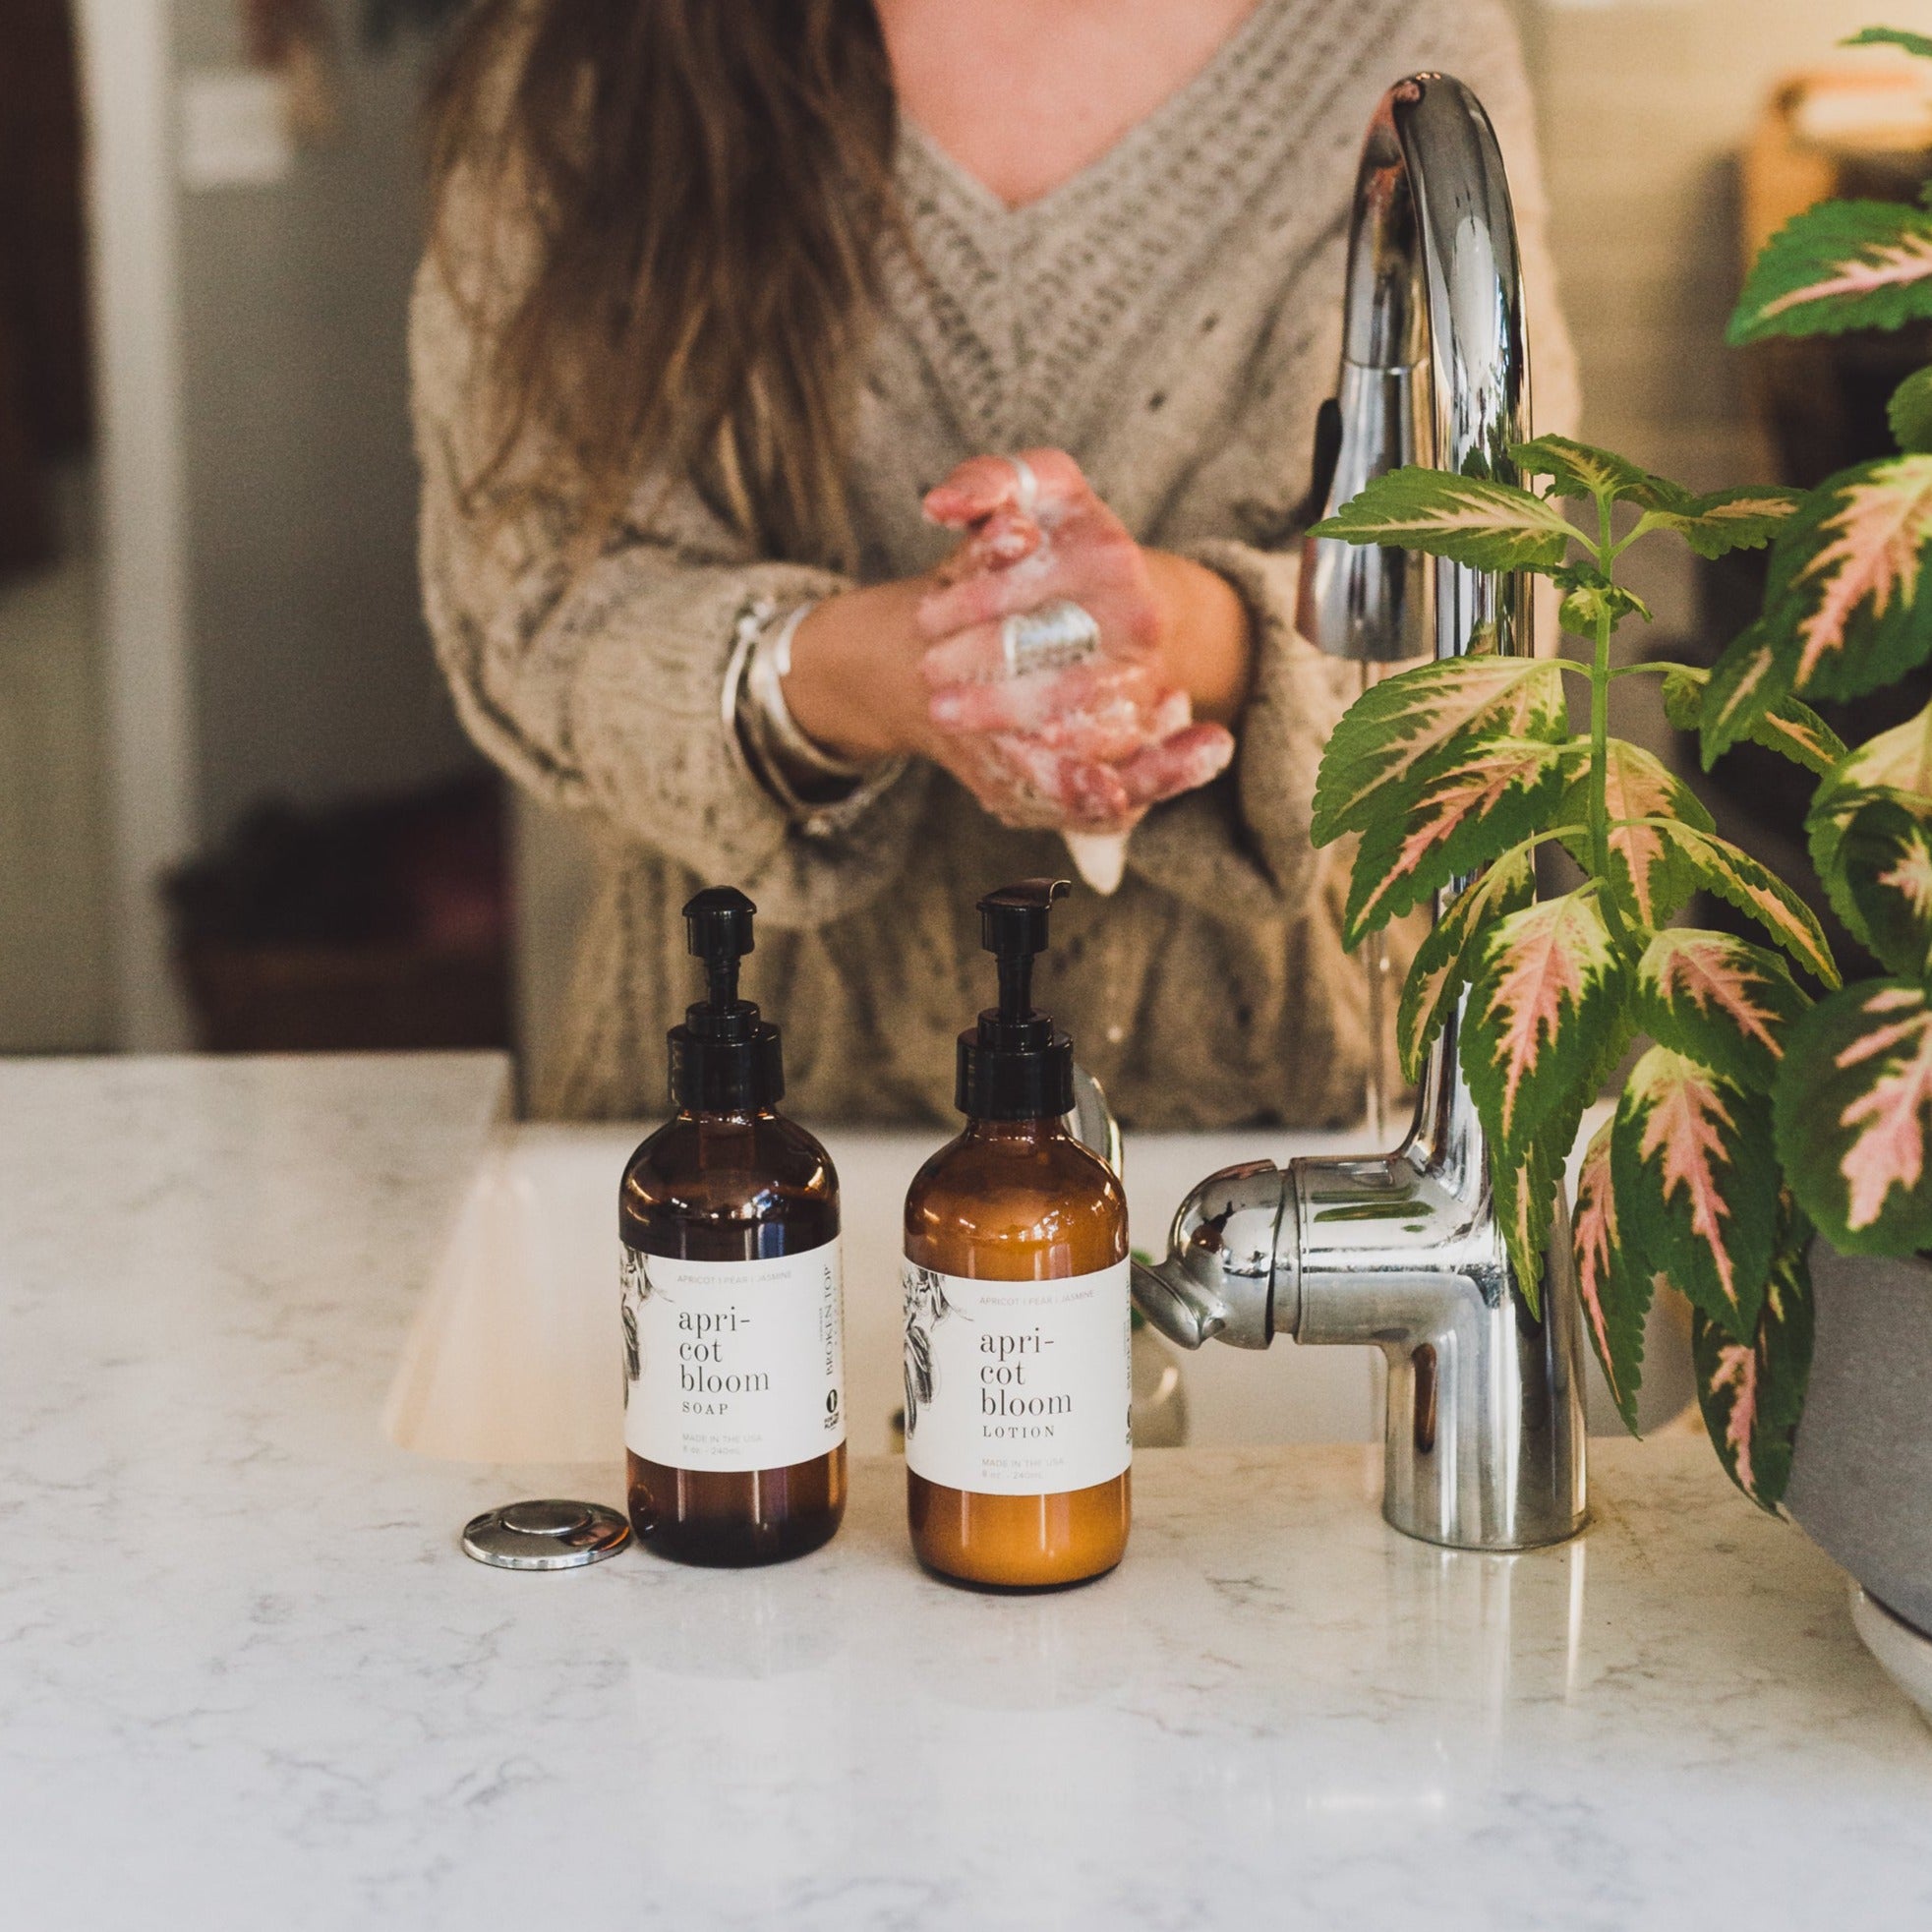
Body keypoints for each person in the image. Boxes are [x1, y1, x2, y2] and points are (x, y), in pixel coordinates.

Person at [411, 0, 1575, 1125]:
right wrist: (892, 672)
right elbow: (534, 611)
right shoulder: (580, 58)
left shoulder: (1398, 42)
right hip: (735, 1141)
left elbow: (1484, 611)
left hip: (1295, 1113)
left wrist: (1171, 635)